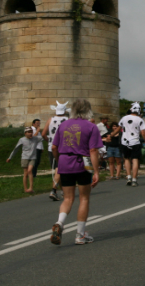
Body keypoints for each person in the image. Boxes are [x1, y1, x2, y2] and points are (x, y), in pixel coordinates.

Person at [49, 98, 102, 245]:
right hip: (82, 163)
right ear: (88, 110)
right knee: (84, 198)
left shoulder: (63, 125)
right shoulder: (91, 127)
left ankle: (59, 223)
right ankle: (80, 235)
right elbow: (93, 150)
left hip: (65, 162)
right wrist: (96, 171)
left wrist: (60, 161)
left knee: (67, 198)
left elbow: (54, 147)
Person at [111, 102, 145, 186]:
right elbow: (143, 133)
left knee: (126, 159)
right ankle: (134, 179)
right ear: (139, 111)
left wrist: (111, 135)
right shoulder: (140, 120)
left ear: (131, 109)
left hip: (125, 141)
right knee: (135, 160)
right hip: (135, 142)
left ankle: (128, 177)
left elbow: (118, 129)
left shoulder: (124, 118)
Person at [41, 101, 70, 201]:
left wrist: (49, 141)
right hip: (63, 147)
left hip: (51, 147)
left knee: (58, 169)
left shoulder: (51, 119)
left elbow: (43, 134)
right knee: (60, 169)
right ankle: (53, 190)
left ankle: (63, 192)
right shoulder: (67, 120)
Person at [6, 127, 44, 193]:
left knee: (30, 171)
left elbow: (44, 136)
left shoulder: (35, 138)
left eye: (31, 132)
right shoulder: (22, 140)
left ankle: (31, 188)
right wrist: (10, 157)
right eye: (29, 132)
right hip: (24, 157)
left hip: (32, 158)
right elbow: (16, 149)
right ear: (25, 133)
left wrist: (38, 131)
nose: (30, 133)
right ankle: (25, 189)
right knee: (26, 173)